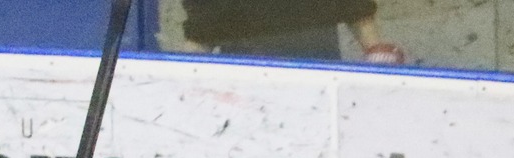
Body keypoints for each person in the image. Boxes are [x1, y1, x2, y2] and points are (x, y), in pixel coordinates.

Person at [170, 0, 405, 62]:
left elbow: (359, 17)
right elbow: (199, 41)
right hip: (242, 93)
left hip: (318, 83)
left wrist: (378, 56)